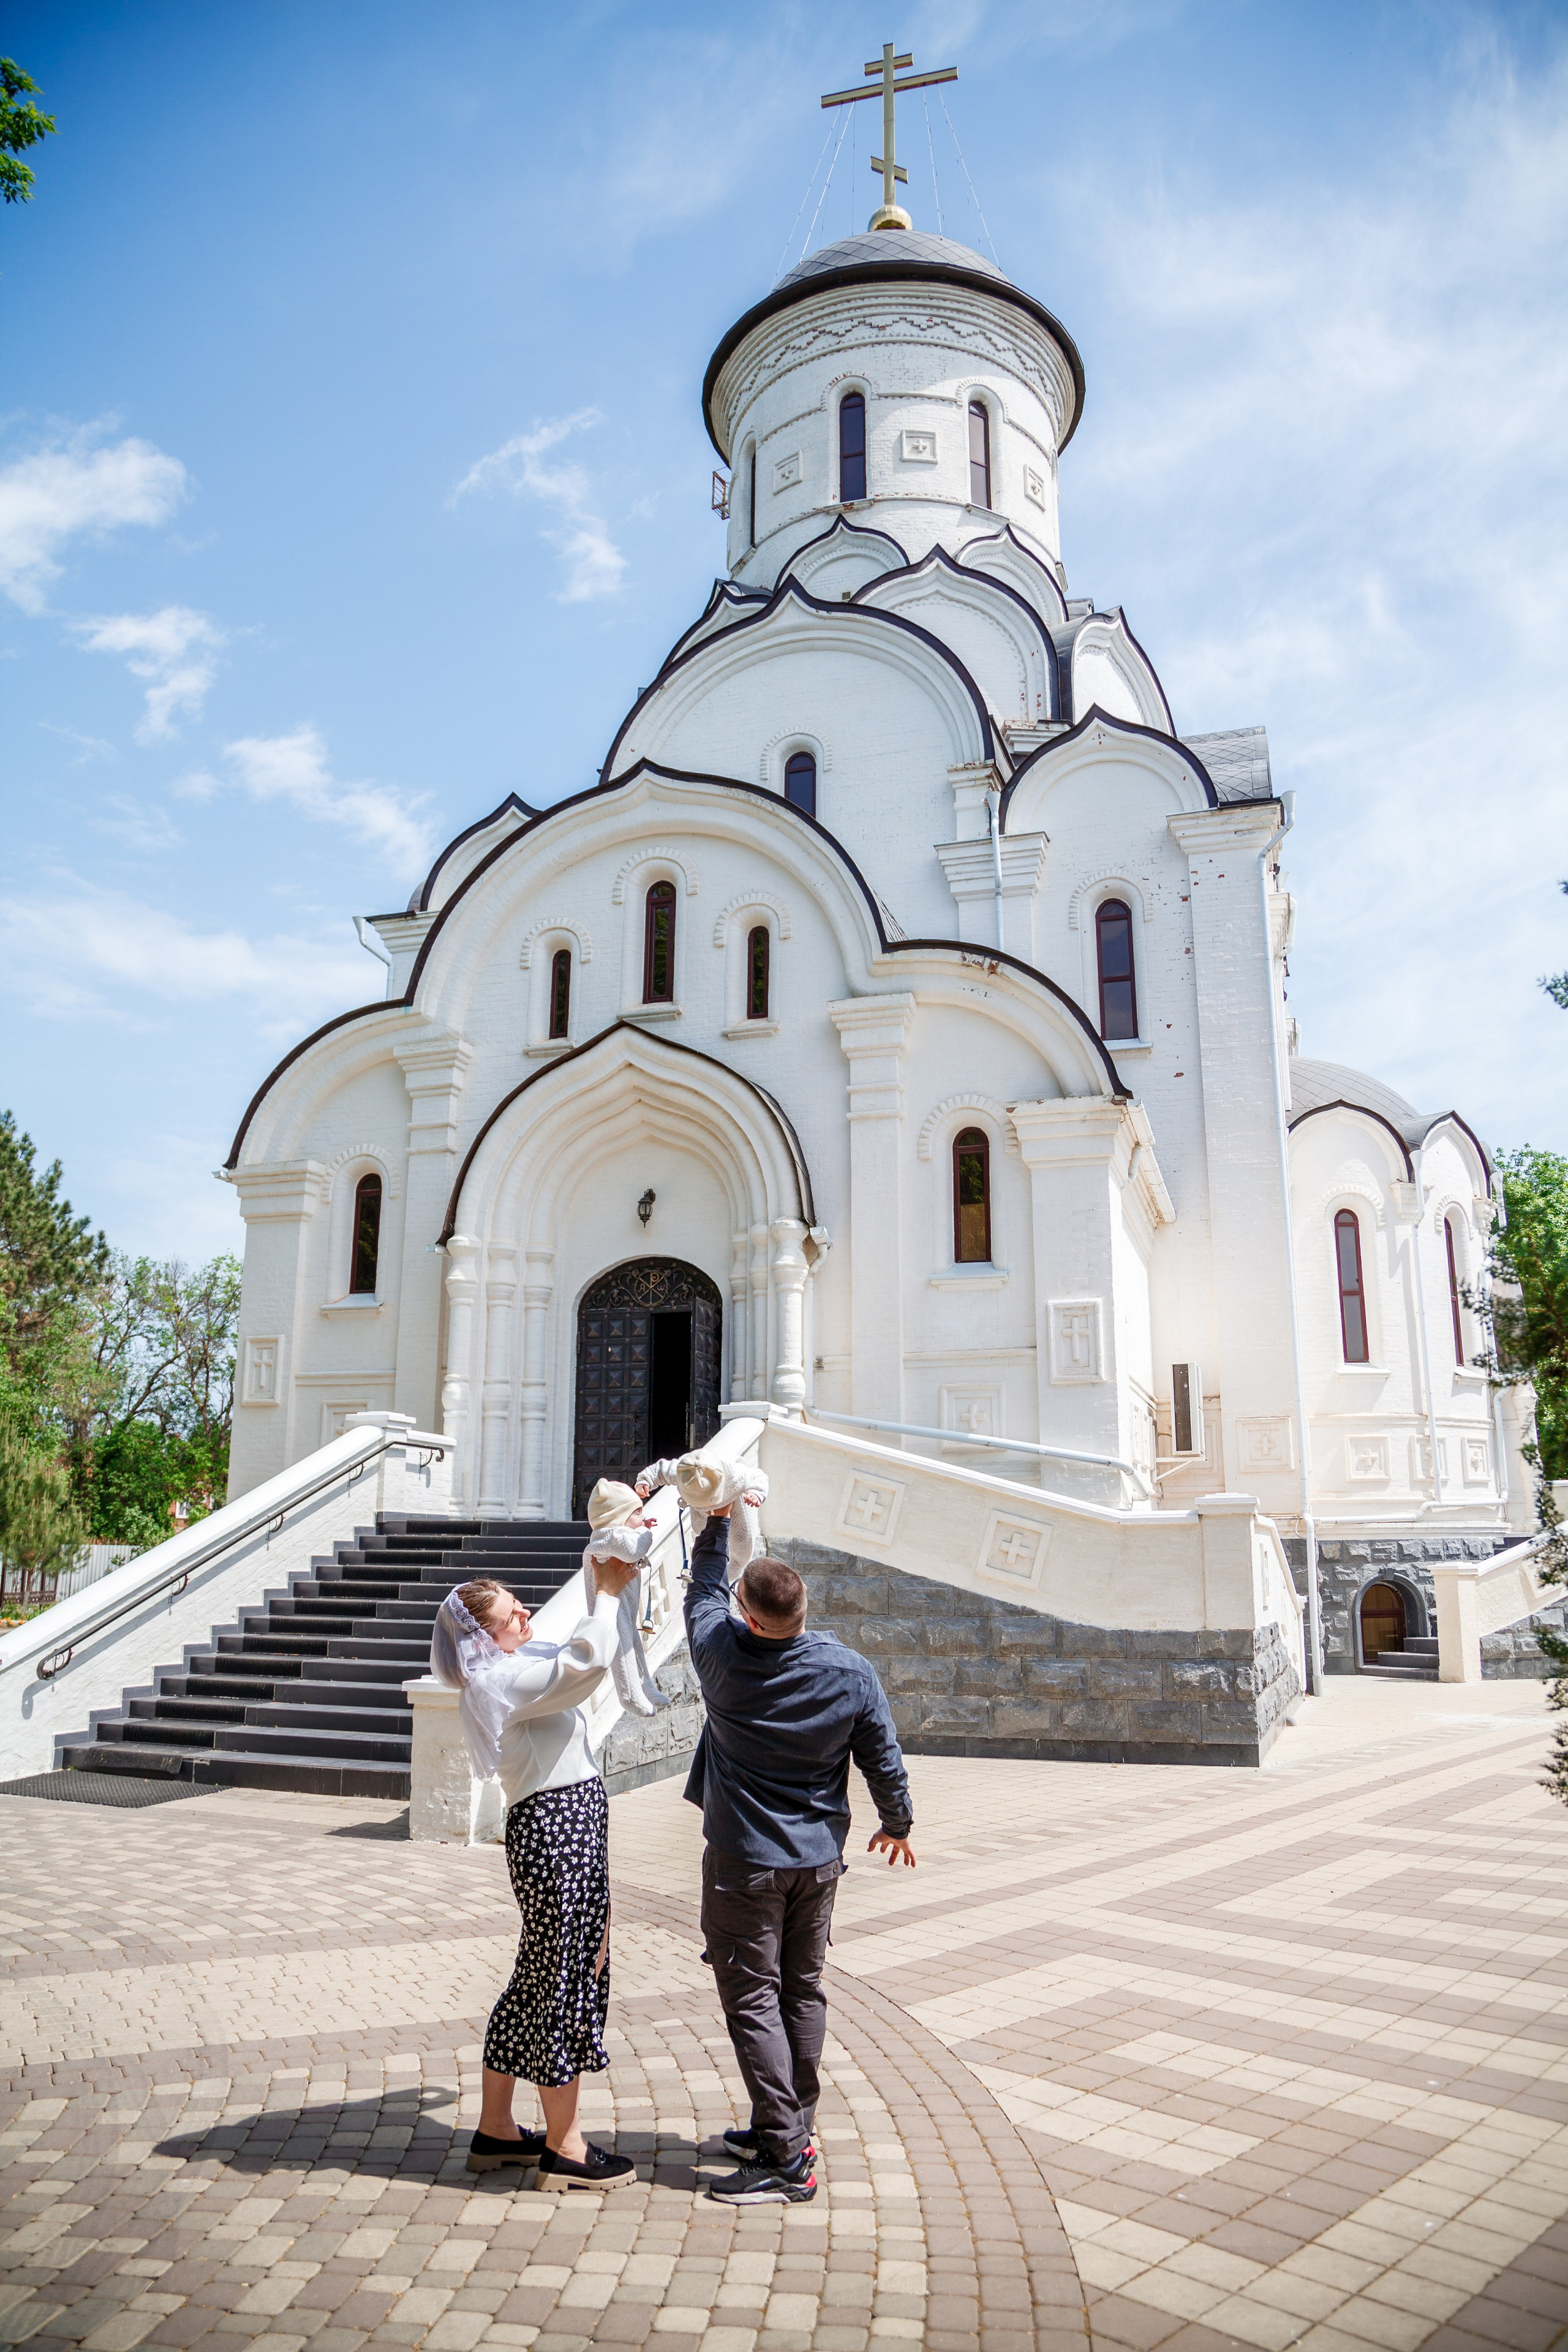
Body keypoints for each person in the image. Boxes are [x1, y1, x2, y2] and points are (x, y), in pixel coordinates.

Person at [684, 1504, 915, 2206]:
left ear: (750, 1620)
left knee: (753, 1998)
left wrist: (715, 1519)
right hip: (817, 1863)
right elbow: (883, 1756)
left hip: (744, 1865)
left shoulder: (720, 1656)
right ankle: (785, 2126)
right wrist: (897, 1824)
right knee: (801, 1990)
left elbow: (702, 1589)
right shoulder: (851, 1671)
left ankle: (786, 2160)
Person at [428, 1485, 648, 2193]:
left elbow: (579, 1646)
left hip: (561, 1830)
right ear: (482, 1638)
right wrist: (606, 1592)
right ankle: (565, 2147)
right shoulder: (504, 1681)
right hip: (559, 1834)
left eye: (521, 1606)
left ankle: (496, 2130)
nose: (525, 1615)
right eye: (510, 1616)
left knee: (537, 1977)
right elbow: (583, 1664)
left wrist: (609, 1555)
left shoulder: (506, 1669)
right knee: (565, 1979)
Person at [636, 1446, 769, 1584]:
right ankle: (714, 1572)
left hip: (734, 1507)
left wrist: (756, 1492)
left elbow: (758, 1477)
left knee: (743, 1544)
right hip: (700, 1513)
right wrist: (645, 1481)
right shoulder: (682, 1472)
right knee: (702, 1534)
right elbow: (659, 1471)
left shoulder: (735, 1474)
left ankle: (729, 1576)